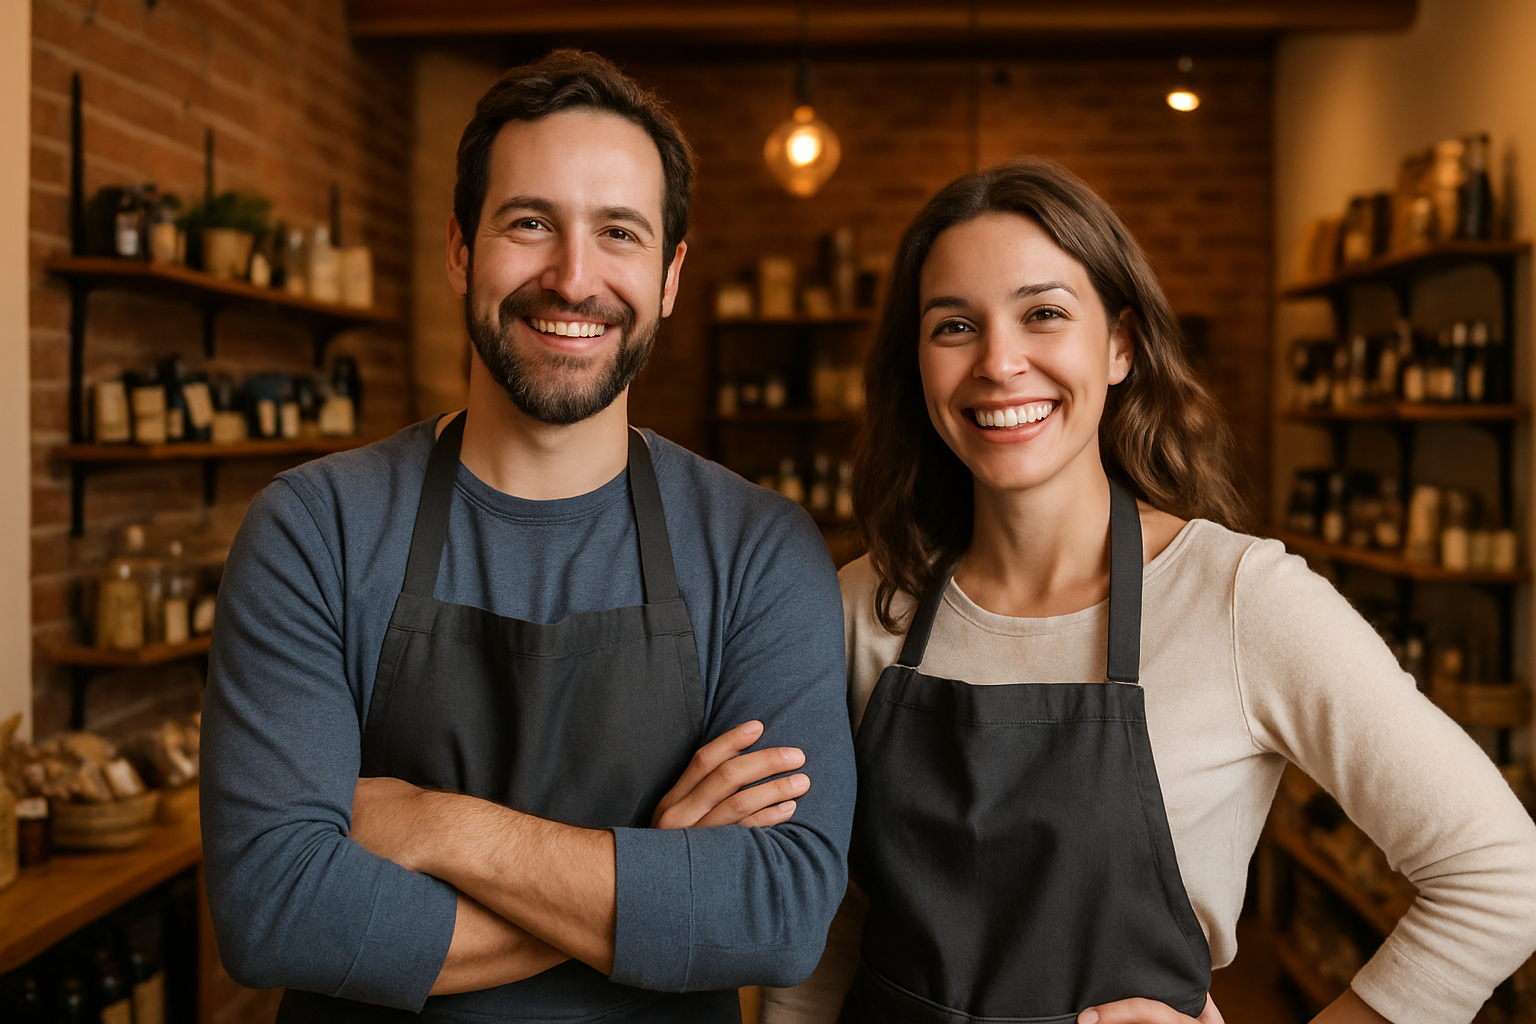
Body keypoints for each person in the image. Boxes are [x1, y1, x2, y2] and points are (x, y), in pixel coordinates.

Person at [762, 158, 1536, 1024]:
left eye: (1044, 314)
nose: (999, 361)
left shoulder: (1243, 601)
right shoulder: (862, 607)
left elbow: (1501, 871)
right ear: (918, 361)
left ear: (1121, 344)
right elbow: (827, 930)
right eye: (953, 326)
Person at [200, 50, 855, 1023]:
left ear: (671, 276)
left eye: (619, 232)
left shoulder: (758, 549)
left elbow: (779, 912)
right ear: (462, 250)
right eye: (530, 223)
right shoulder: (315, 529)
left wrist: (436, 825)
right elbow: (275, 910)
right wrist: (654, 874)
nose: (573, 277)